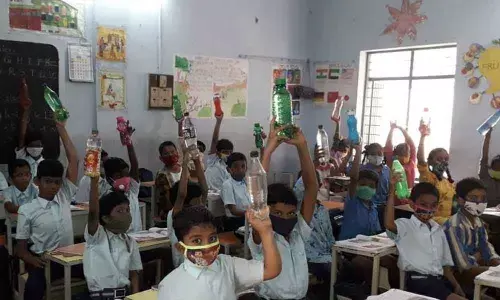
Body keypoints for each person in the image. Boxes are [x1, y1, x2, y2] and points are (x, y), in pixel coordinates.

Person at [247, 119, 317, 300]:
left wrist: (302, 146)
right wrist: (269, 149)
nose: (285, 218)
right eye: (277, 213)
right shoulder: (262, 235)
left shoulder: (298, 232)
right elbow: (258, 191)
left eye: (290, 214)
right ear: (267, 212)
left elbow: (311, 188)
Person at [157, 205, 281, 300]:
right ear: (180, 248)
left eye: (212, 238)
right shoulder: (170, 286)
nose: (206, 247)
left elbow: (271, 270)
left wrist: (265, 231)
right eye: (197, 240)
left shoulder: (227, 265)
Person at [15, 118, 79, 300]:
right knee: (34, 288)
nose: (53, 186)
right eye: (48, 181)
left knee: (100, 273)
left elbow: (73, 158)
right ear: (37, 182)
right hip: (44, 262)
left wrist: (61, 128)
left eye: (57, 182)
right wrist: (33, 260)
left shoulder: (64, 195)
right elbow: (20, 249)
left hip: (69, 258)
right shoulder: (27, 210)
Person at [385, 179, 467, 300]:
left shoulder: (438, 230)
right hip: (418, 282)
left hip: (439, 281)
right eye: (423, 205)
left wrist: (456, 285)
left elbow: (444, 266)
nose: (428, 209)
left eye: (433, 205)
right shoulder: (406, 225)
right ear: (412, 204)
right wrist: (391, 193)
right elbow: (389, 224)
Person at [83, 175, 143, 299]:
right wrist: (94, 182)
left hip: (123, 295)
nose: (126, 215)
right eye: (120, 211)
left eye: (127, 210)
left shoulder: (130, 242)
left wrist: (135, 297)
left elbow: (134, 274)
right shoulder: (97, 236)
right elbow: (94, 212)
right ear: (105, 218)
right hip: (100, 296)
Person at [444, 178, 500, 298]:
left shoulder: (478, 222)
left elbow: (487, 250)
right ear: (460, 200)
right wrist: (491, 269)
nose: (479, 202)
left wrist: (497, 265)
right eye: (473, 198)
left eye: (483, 198)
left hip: (475, 270)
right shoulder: (454, 226)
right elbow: (464, 267)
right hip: (457, 278)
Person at [167, 149, 208, 268]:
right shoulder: (177, 214)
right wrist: (184, 162)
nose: (201, 201)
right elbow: (182, 194)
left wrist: (196, 160)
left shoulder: (198, 210)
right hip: (183, 263)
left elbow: (204, 188)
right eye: (198, 198)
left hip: (201, 259)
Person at [339, 143, 381, 240]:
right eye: (362, 184)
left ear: (375, 190)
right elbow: (354, 177)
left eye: (371, 186)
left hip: (366, 248)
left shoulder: (373, 208)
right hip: (349, 248)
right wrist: (358, 152)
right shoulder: (353, 202)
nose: (366, 188)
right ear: (357, 185)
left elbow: (376, 233)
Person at [417, 121, 456, 224]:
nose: (443, 162)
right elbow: (421, 160)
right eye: (439, 159)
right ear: (430, 161)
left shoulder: (449, 182)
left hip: (446, 222)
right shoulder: (428, 177)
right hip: (431, 220)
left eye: (446, 159)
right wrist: (422, 137)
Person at [16, 81, 44, 179]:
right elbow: (22, 135)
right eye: (32, 146)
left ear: (42, 146)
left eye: (38, 145)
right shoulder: (22, 159)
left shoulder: (45, 164)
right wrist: (25, 111)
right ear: (27, 147)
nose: (35, 148)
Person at [221, 152, 250, 232]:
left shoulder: (247, 182)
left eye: (243, 166)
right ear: (229, 169)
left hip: (248, 217)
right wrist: (251, 212)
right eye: (236, 167)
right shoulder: (227, 185)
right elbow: (234, 211)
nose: (240, 170)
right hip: (235, 222)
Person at [204, 113, 233, 191]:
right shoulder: (213, 161)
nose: (228, 155)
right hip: (208, 195)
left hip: (221, 197)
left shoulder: (228, 168)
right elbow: (214, 140)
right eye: (225, 152)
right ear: (217, 152)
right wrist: (218, 122)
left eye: (230, 152)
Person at [384, 122, 416, 189]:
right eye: (402, 152)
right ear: (396, 154)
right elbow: (388, 146)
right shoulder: (392, 163)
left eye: (406, 152)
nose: (404, 155)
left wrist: (400, 129)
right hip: (393, 195)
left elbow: (412, 145)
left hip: (409, 195)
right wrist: (392, 129)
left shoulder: (411, 162)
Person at [156, 140, 182, 213]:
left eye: (173, 152)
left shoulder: (184, 169)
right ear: (161, 158)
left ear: (177, 153)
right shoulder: (162, 175)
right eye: (166, 153)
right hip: (173, 211)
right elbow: (166, 201)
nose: (170, 155)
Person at [479, 128, 500, 207]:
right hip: (485, 213)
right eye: (496, 167)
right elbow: (484, 157)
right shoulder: (485, 175)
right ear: (491, 167)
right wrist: (487, 137)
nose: (498, 169)